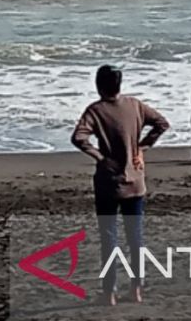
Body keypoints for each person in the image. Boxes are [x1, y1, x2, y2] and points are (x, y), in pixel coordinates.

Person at [71, 65, 170, 307]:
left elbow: (78, 138)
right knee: (135, 238)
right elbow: (162, 124)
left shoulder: (96, 111)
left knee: (109, 239)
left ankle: (109, 292)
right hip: (135, 182)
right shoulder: (135, 105)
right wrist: (141, 148)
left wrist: (100, 157)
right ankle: (136, 288)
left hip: (109, 184)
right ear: (119, 84)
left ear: (99, 85)